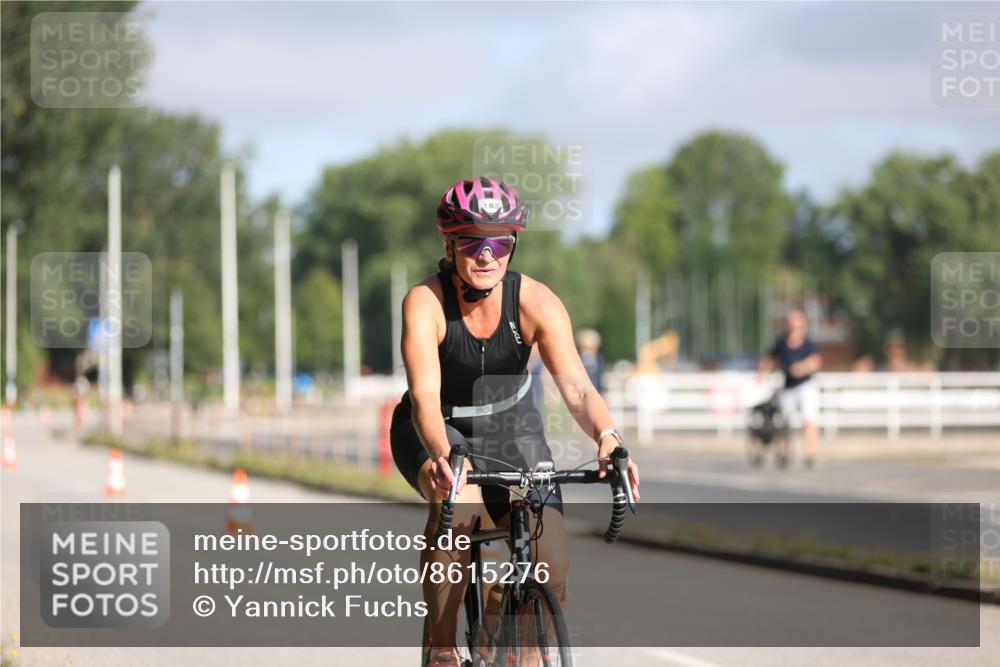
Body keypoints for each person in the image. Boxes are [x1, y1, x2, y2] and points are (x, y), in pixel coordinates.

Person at [390, 177, 641, 666]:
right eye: (472, 242)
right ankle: (442, 648)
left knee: (552, 562)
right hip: (436, 425)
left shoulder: (535, 301)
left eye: (498, 243)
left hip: (511, 429)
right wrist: (444, 458)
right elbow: (424, 395)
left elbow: (576, 387)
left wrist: (607, 437)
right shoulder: (426, 302)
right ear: (450, 244)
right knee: (458, 508)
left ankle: (513, 630)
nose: (486, 255)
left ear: (511, 246)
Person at [758, 308, 823, 467]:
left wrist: (802, 368)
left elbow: (816, 361)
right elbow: (769, 359)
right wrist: (762, 374)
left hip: (805, 385)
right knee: (784, 422)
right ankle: (784, 452)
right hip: (788, 386)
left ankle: (810, 454)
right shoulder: (782, 342)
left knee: (809, 420)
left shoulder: (808, 343)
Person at [576, 328, 606, 394]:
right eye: (585, 348)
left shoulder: (599, 360)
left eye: (591, 348)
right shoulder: (576, 360)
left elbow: (600, 380)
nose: (588, 352)